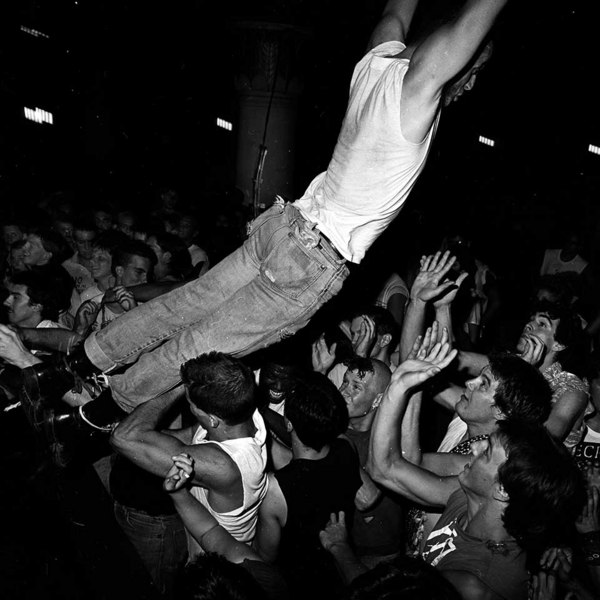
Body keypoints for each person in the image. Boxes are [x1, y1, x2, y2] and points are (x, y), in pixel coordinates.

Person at [23, 0, 511, 447]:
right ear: (455, 56)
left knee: (180, 307)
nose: (468, 85)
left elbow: (396, 10)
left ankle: (72, 365)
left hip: (285, 225)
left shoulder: (378, 59)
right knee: (197, 348)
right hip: (310, 259)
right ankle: (92, 417)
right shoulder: (420, 86)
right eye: (474, 71)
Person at [367, 337, 586, 599]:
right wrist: (399, 385)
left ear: (503, 489)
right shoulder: (466, 497)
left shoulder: (475, 583)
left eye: (488, 450)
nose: (474, 448)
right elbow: (386, 468)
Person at [109, 352, 268, 557]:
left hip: (215, 557)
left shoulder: (224, 464)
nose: (189, 407)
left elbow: (123, 437)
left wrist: (178, 387)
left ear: (212, 419)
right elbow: (191, 436)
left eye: (191, 404)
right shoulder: (239, 413)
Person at [252, 371, 360, 600]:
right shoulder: (346, 448)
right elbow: (304, 465)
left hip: (299, 587)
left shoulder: (276, 489)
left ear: (288, 424)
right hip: (338, 577)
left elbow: (265, 556)